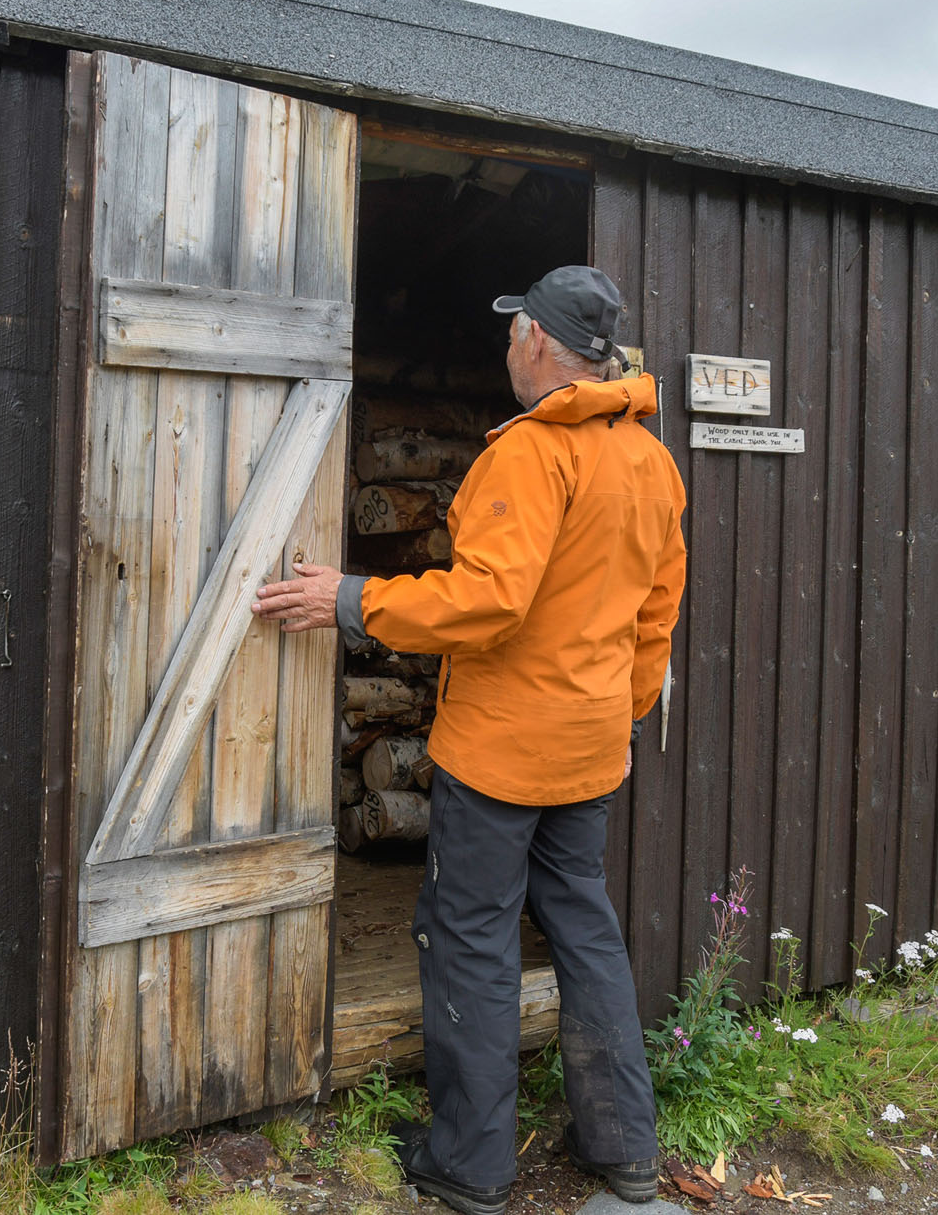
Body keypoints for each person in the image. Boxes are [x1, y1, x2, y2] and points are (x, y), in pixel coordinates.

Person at [251, 265, 688, 1215]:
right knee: (586, 930)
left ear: (537, 340)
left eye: (512, 332)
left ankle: (473, 1166)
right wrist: (621, 711)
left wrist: (351, 598)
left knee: (472, 940)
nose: (505, 347)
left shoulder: (534, 453)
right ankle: (623, 1151)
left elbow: (488, 602)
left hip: (499, 754)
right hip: (588, 749)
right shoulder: (651, 459)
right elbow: (657, 615)